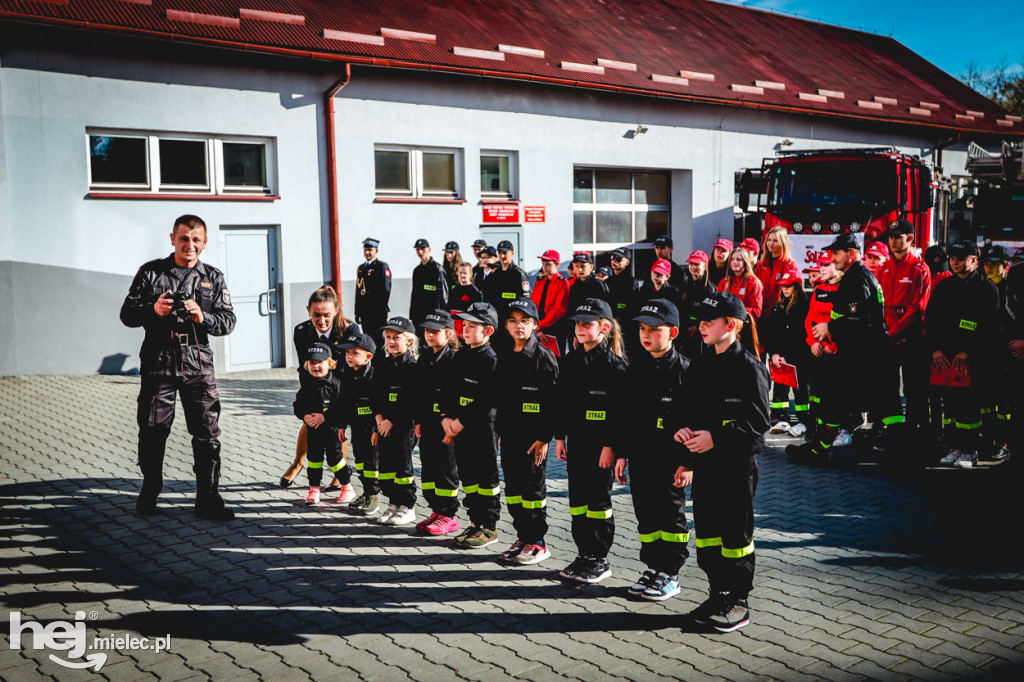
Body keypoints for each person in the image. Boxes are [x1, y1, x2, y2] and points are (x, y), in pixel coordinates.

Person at [120, 214, 237, 520]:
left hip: (198, 364)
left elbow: (228, 321)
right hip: (160, 362)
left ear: (204, 243)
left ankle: (208, 497)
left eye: (196, 239)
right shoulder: (152, 272)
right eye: (184, 238)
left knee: (207, 433)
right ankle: (150, 487)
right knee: (152, 429)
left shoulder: (213, 277)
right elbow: (127, 314)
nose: (190, 245)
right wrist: (153, 309)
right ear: (172, 238)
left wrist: (204, 317)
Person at [672, 290, 770, 633]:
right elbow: (686, 410)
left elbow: (759, 424)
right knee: (709, 536)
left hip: (736, 467)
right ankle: (718, 592)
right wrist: (683, 435)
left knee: (735, 536)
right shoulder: (701, 364)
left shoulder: (750, 368)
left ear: (731, 325)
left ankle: (738, 600)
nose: (701, 327)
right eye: (700, 321)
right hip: (706, 468)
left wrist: (717, 438)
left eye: (708, 321)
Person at [787, 234, 905, 463]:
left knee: (873, 407)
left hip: (866, 355)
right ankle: (820, 449)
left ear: (851, 253)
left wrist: (828, 327)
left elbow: (859, 321)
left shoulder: (856, 279)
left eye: (837, 253)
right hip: (866, 353)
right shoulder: (855, 276)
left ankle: (900, 455)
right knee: (854, 403)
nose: (832, 258)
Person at [616, 299, 691, 601]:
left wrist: (688, 463)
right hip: (641, 457)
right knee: (645, 514)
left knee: (670, 515)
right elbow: (626, 416)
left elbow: (695, 421)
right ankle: (654, 566)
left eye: (654, 330)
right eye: (642, 329)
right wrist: (621, 453)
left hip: (671, 461)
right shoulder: (636, 367)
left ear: (672, 332)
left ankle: (670, 572)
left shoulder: (685, 370)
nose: (646, 335)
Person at [555, 298, 629, 584]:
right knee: (578, 502)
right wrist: (560, 438)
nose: (580, 328)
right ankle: (584, 553)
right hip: (577, 444)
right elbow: (562, 403)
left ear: (605, 328)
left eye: (587, 324)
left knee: (598, 502)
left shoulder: (615, 366)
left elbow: (621, 413)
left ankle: (600, 557)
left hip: (601, 448)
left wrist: (612, 446)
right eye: (578, 324)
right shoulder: (571, 361)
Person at [495, 299, 559, 564]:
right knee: (514, 490)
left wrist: (545, 438)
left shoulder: (544, 358)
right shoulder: (505, 354)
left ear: (534, 325)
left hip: (534, 439)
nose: (518, 326)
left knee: (533, 491)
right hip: (510, 436)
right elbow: (502, 398)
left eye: (524, 321)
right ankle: (523, 536)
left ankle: (538, 542)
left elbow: (555, 403)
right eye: (512, 321)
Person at [279, 286, 360, 494]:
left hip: (343, 384)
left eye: (327, 315)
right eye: (316, 315)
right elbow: (304, 365)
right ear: (308, 310)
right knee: (310, 420)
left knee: (337, 427)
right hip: (313, 381)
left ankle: (338, 473)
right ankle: (297, 463)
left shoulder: (350, 329)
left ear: (336, 310)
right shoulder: (300, 331)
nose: (322, 320)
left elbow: (354, 364)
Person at [928, 241, 999, 468]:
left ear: (974, 260)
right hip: (945, 358)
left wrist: (967, 351)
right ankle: (955, 447)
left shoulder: (986, 289)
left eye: (961, 258)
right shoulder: (945, 287)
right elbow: (932, 319)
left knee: (969, 406)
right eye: (953, 258)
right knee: (950, 407)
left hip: (972, 359)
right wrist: (936, 350)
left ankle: (970, 451)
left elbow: (987, 325)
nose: (955, 262)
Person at [444, 302, 502, 548]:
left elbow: (487, 399)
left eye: (471, 326)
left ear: (488, 331)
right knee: (467, 477)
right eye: (464, 325)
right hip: (458, 427)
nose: (465, 330)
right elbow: (450, 390)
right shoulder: (461, 355)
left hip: (482, 430)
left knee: (485, 478)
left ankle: (489, 526)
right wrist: (447, 419)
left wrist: (460, 422)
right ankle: (475, 522)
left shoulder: (491, 360)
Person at [877, 220, 931, 434]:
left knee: (914, 387)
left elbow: (918, 307)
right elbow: (877, 304)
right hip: (887, 339)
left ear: (910, 239)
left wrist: (894, 332)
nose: (893, 242)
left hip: (911, 339)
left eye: (898, 237)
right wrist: (884, 333)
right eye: (891, 237)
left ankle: (916, 429)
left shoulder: (920, 268)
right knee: (888, 386)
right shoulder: (883, 269)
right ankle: (894, 430)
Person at [414, 310, 462, 536]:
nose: (430, 336)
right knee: (429, 468)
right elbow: (420, 393)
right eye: (427, 331)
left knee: (446, 469)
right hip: (428, 422)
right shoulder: (425, 357)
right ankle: (436, 510)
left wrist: (450, 427)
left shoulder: (454, 359)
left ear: (449, 333)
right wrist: (419, 421)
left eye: (435, 331)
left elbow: (454, 395)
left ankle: (449, 515)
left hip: (446, 425)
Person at [372, 316, 419, 525]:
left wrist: (392, 421)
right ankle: (393, 504)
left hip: (403, 427)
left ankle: (407, 506)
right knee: (387, 466)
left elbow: (411, 401)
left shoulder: (412, 367)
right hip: (383, 426)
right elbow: (376, 395)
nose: (391, 341)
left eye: (396, 337)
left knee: (402, 467)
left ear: (408, 340)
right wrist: (380, 420)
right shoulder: (383, 365)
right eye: (388, 337)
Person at [293, 343, 346, 507]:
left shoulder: (336, 384)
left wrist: (325, 417)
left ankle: (347, 487)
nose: (315, 366)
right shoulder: (307, 385)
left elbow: (342, 407)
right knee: (314, 460)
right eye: (311, 362)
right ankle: (314, 489)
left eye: (320, 362)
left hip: (332, 431)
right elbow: (298, 405)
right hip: (313, 432)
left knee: (335, 460)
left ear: (329, 363)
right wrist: (305, 416)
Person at [336, 332, 381, 515]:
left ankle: (373, 496)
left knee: (371, 464)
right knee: (361, 462)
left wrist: (377, 430)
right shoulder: (347, 376)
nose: (349, 356)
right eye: (347, 353)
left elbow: (379, 405)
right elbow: (344, 403)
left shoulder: (374, 377)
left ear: (368, 357)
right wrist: (341, 425)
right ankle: (366, 491)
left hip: (371, 429)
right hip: (357, 428)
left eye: (355, 353)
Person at [763, 273, 811, 437]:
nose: (784, 289)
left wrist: (788, 356)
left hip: (800, 357)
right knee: (780, 389)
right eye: (783, 286)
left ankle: (803, 420)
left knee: (801, 390)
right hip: (781, 359)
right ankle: (780, 418)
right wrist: (775, 353)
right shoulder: (778, 307)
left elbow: (801, 335)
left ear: (796, 287)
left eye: (788, 286)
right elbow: (772, 333)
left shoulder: (804, 306)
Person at [981, 244, 1014, 461]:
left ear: (1006, 266)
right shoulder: (982, 288)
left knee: (1005, 405)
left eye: (994, 264)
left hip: (1007, 357)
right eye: (986, 263)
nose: (989, 268)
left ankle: (1004, 442)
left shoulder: (1013, 290)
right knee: (985, 404)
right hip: (985, 355)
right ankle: (989, 440)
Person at [677, 251, 718, 358]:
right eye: (691, 264)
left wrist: (697, 326)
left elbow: (710, 313)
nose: (693, 267)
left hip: (702, 334)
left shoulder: (710, 288)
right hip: (685, 332)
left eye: (697, 264)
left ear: (705, 266)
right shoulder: (684, 285)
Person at [355, 237, 392, 352]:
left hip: (377, 313)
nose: (367, 252)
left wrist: (379, 309)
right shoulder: (361, 268)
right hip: (365, 313)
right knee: (368, 341)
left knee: (379, 342)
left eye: (370, 250)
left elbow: (386, 290)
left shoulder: (382, 266)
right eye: (365, 250)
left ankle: (381, 366)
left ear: (376, 251)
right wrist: (357, 311)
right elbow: (359, 291)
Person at [754, 227, 800, 317]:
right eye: (769, 240)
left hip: (779, 313)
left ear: (783, 243)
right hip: (761, 312)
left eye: (775, 241)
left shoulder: (790, 265)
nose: (771, 243)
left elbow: (791, 294)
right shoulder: (761, 264)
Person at [531, 250, 569, 357]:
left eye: (548, 264)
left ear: (557, 264)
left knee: (555, 359)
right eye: (543, 264)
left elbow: (559, 309)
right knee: (540, 359)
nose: (545, 267)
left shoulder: (562, 282)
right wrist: (537, 326)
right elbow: (533, 305)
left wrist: (540, 326)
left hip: (555, 328)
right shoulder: (540, 282)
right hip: (539, 327)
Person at [481, 240, 530, 315]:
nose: (502, 256)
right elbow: (488, 295)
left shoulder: (518, 274)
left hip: (512, 315)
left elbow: (525, 299)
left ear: (512, 253)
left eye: (505, 253)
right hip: (496, 315)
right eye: (500, 253)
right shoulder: (495, 274)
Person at [409, 239, 448, 332]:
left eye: (423, 249)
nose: (420, 252)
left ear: (429, 249)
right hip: (419, 314)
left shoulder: (437, 269)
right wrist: (412, 316)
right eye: (418, 249)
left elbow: (443, 295)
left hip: (433, 313)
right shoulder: (417, 270)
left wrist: (441, 315)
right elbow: (414, 294)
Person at [719, 248, 764, 320]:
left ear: (745, 262)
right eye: (732, 259)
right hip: (726, 324)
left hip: (745, 324)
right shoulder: (724, 282)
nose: (735, 262)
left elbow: (757, 311)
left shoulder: (753, 283)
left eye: (739, 259)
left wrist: (737, 309)